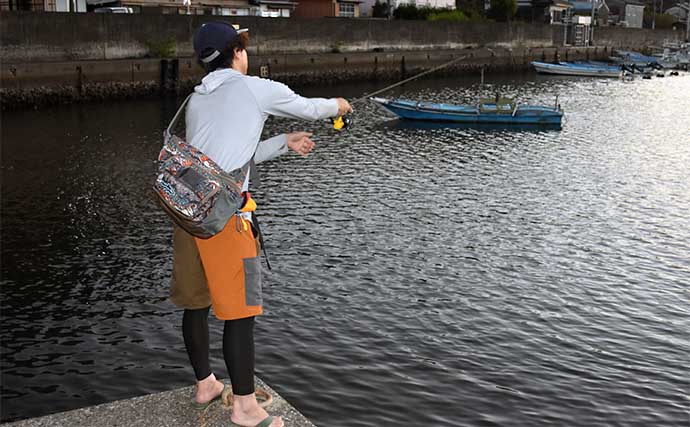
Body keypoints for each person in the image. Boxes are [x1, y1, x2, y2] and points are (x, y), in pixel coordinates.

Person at [168, 21, 352, 427]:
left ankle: (206, 385)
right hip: (227, 220)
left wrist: (283, 143)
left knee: (195, 305)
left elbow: (227, 158)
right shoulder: (253, 88)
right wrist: (337, 105)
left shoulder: (197, 99)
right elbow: (308, 106)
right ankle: (245, 407)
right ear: (236, 52)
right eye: (243, 47)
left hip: (189, 214)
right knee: (240, 313)